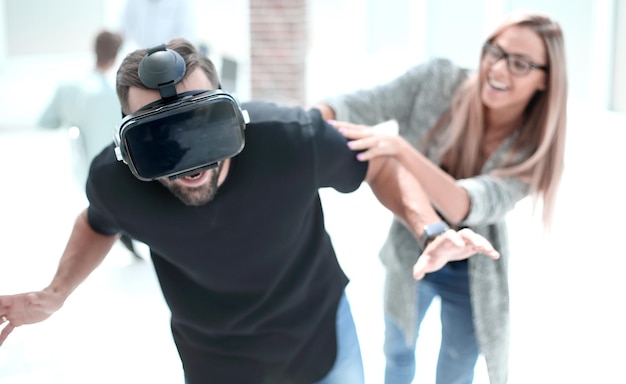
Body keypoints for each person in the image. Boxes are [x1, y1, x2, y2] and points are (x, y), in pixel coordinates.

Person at [0, 39, 499, 384]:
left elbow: (375, 164)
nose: (189, 158)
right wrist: (56, 293)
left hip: (318, 338)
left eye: (202, 123)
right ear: (128, 143)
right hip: (215, 360)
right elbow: (97, 222)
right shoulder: (116, 179)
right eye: (158, 138)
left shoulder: (289, 138)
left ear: (233, 113)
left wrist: (429, 228)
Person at [315, 10, 567, 384]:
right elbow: (357, 105)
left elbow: (466, 204)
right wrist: (302, 124)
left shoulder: (533, 152)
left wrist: (401, 150)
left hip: (473, 272)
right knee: (398, 356)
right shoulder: (437, 81)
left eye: (520, 64)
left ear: (546, 80)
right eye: (494, 52)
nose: (498, 69)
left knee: (455, 371)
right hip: (411, 253)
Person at [38, 30, 140, 259]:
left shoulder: (70, 88)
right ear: (117, 56)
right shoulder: (123, 94)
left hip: (89, 173)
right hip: (123, 173)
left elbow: (45, 122)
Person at [118, 0, 198, 49]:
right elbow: (123, 29)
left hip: (170, 59)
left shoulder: (182, 2)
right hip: (141, 57)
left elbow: (186, 36)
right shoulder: (133, 2)